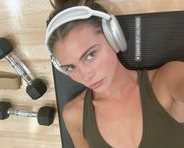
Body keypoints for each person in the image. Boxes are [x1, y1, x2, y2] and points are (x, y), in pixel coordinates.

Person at [45, 0, 184, 147]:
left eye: (90, 55)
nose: (86, 76)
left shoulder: (167, 80)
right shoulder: (74, 115)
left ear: (113, 38)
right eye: (70, 68)